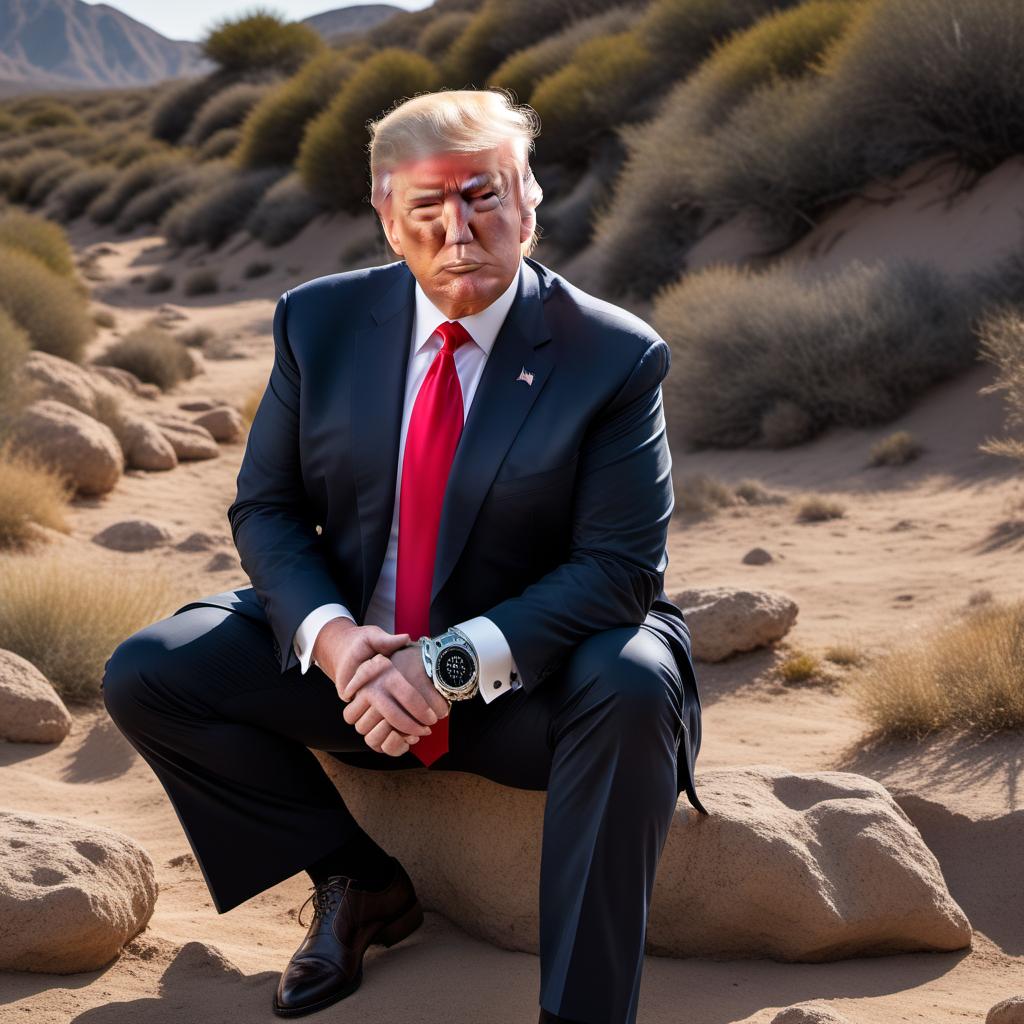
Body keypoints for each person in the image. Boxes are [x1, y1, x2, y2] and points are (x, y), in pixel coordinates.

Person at [101, 87, 709, 1024]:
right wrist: (344, 647)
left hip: (528, 685)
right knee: (150, 671)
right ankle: (359, 880)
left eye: (483, 196)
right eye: (428, 207)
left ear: (529, 202)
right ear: (389, 221)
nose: (459, 230)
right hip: (361, 667)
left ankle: (582, 1014)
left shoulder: (614, 356)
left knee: (633, 681)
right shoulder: (320, 323)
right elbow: (265, 507)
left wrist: (447, 665)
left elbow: (619, 570)